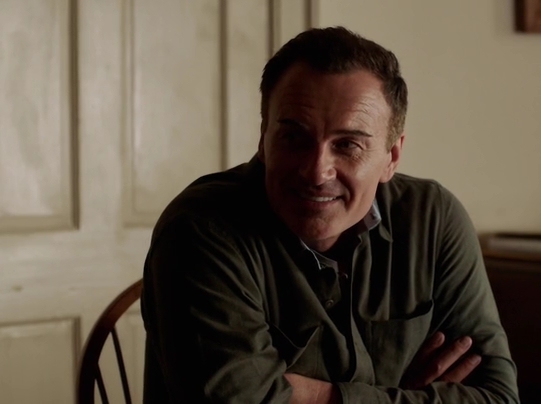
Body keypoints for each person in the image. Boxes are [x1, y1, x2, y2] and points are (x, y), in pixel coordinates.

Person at [141, 26, 519, 404]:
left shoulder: (432, 219)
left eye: (348, 144)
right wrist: (401, 396)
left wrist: (313, 395)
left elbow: (498, 397)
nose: (317, 172)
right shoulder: (200, 229)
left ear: (392, 157)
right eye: (294, 138)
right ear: (263, 138)